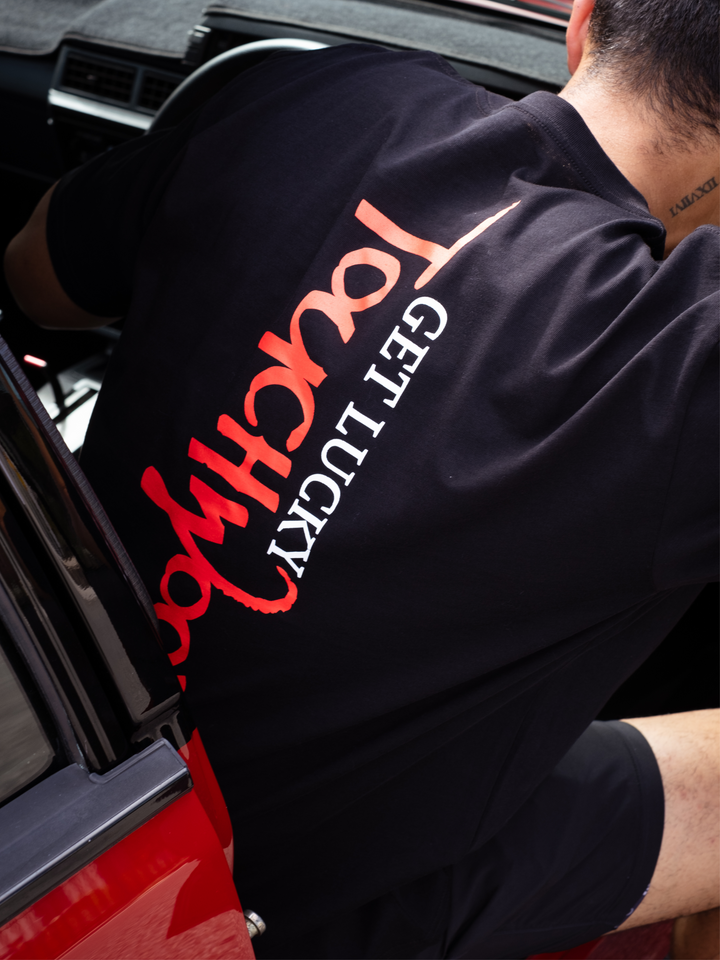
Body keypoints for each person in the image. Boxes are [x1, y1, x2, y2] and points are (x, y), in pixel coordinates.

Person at [4, 0, 719, 955]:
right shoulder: (685, 357)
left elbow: (35, 276)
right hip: (247, 894)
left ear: (582, 21)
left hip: (59, 744)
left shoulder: (321, 92)